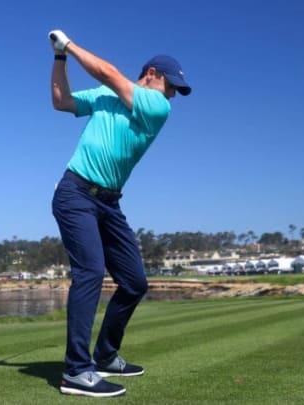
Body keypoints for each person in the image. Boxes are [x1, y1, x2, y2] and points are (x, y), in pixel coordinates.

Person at [48, 29, 191, 397]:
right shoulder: (105, 97)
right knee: (91, 273)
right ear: (152, 74)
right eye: (171, 85)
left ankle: (106, 355)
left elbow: (109, 73)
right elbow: (61, 102)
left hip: (109, 204)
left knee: (134, 282)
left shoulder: (157, 108)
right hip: (76, 193)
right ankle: (77, 372)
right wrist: (59, 58)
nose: (173, 94)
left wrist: (71, 46)